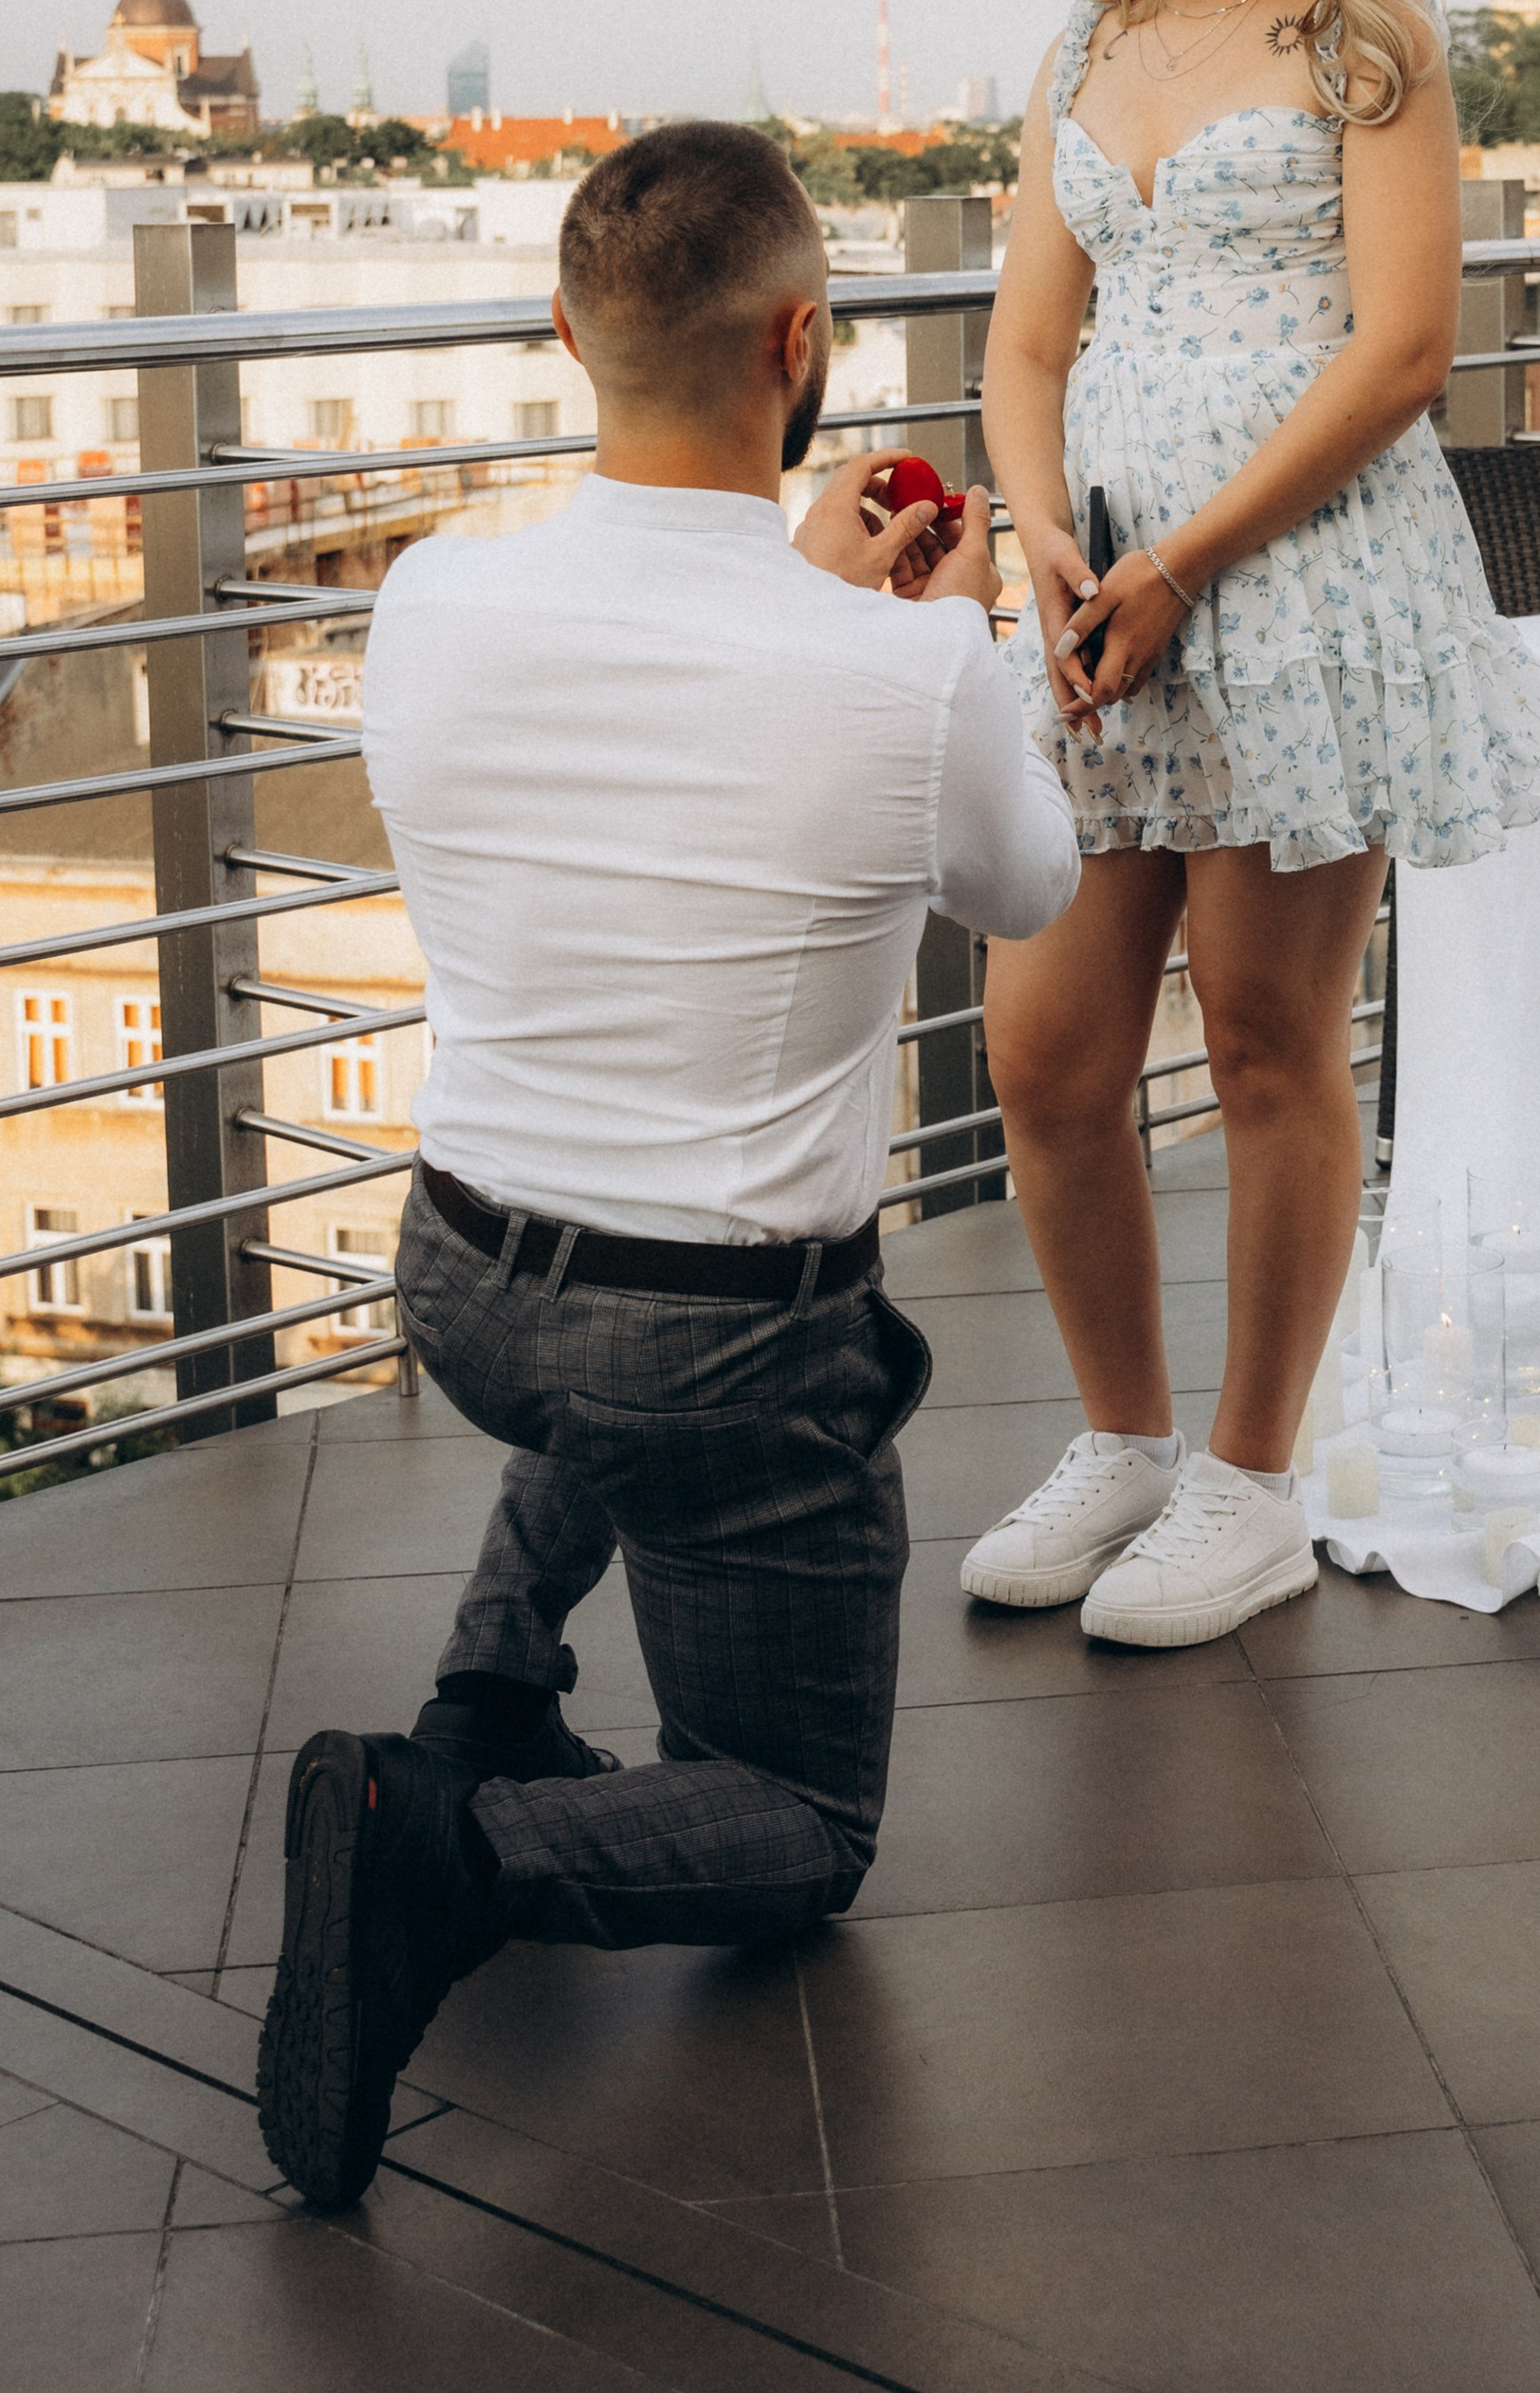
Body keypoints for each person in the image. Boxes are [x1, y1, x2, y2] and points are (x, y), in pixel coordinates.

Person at [254, 121, 1079, 2211]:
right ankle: (441, 1852)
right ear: (803, 343)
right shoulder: (905, 667)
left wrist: (812, 611)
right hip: (714, 1353)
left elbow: (652, 713)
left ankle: (484, 1698)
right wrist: (956, 641)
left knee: (596, 1363)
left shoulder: (433, 600)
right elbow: (1026, 883)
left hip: (456, 1281)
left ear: (563, 330)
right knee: (797, 1820)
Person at [965, 0, 1540, 1647]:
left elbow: (1404, 351)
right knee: (1046, 1052)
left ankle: (1247, 1483)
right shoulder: (1081, 55)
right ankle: (1125, 1450)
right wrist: (1052, 545)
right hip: (1104, 600)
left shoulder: (1366, 38)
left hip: (1304, 586)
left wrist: (1188, 567)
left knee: (1261, 1045)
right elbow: (1024, 342)